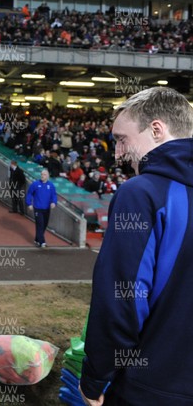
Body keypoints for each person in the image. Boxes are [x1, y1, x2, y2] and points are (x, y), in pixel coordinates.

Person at [80, 87, 193, 406]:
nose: (116, 153)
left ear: (156, 129)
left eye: (121, 139)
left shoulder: (141, 193)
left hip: (148, 387)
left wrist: (95, 376)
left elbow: (122, 297)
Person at [25, 168, 57, 248]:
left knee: (44, 225)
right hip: (38, 208)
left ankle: (37, 239)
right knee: (40, 224)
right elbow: (29, 194)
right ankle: (42, 242)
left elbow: (54, 195)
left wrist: (54, 202)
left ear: (48, 176)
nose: (42, 176)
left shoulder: (51, 185)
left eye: (44, 174)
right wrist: (29, 203)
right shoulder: (35, 184)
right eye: (42, 174)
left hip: (46, 209)